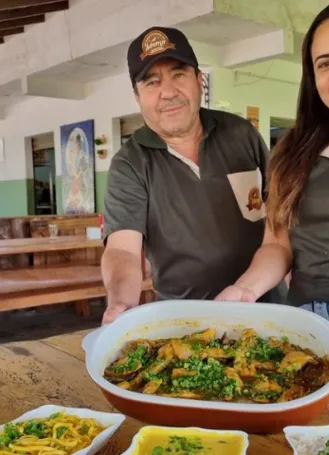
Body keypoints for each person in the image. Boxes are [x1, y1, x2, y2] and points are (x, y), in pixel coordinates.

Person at [216, 0, 329, 410]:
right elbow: (277, 244)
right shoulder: (292, 152)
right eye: (325, 62)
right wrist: (244, 291)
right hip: (301, 331)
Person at [101, 26, 285, 324]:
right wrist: (121, 303)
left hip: (268, 305)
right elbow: (122, 249)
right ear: (137, 97)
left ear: (200, 80)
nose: (168, 92)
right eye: (152, 82)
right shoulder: (130, 163)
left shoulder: (241, 133)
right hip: (187, 321)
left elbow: (279, 217)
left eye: (179, 74)